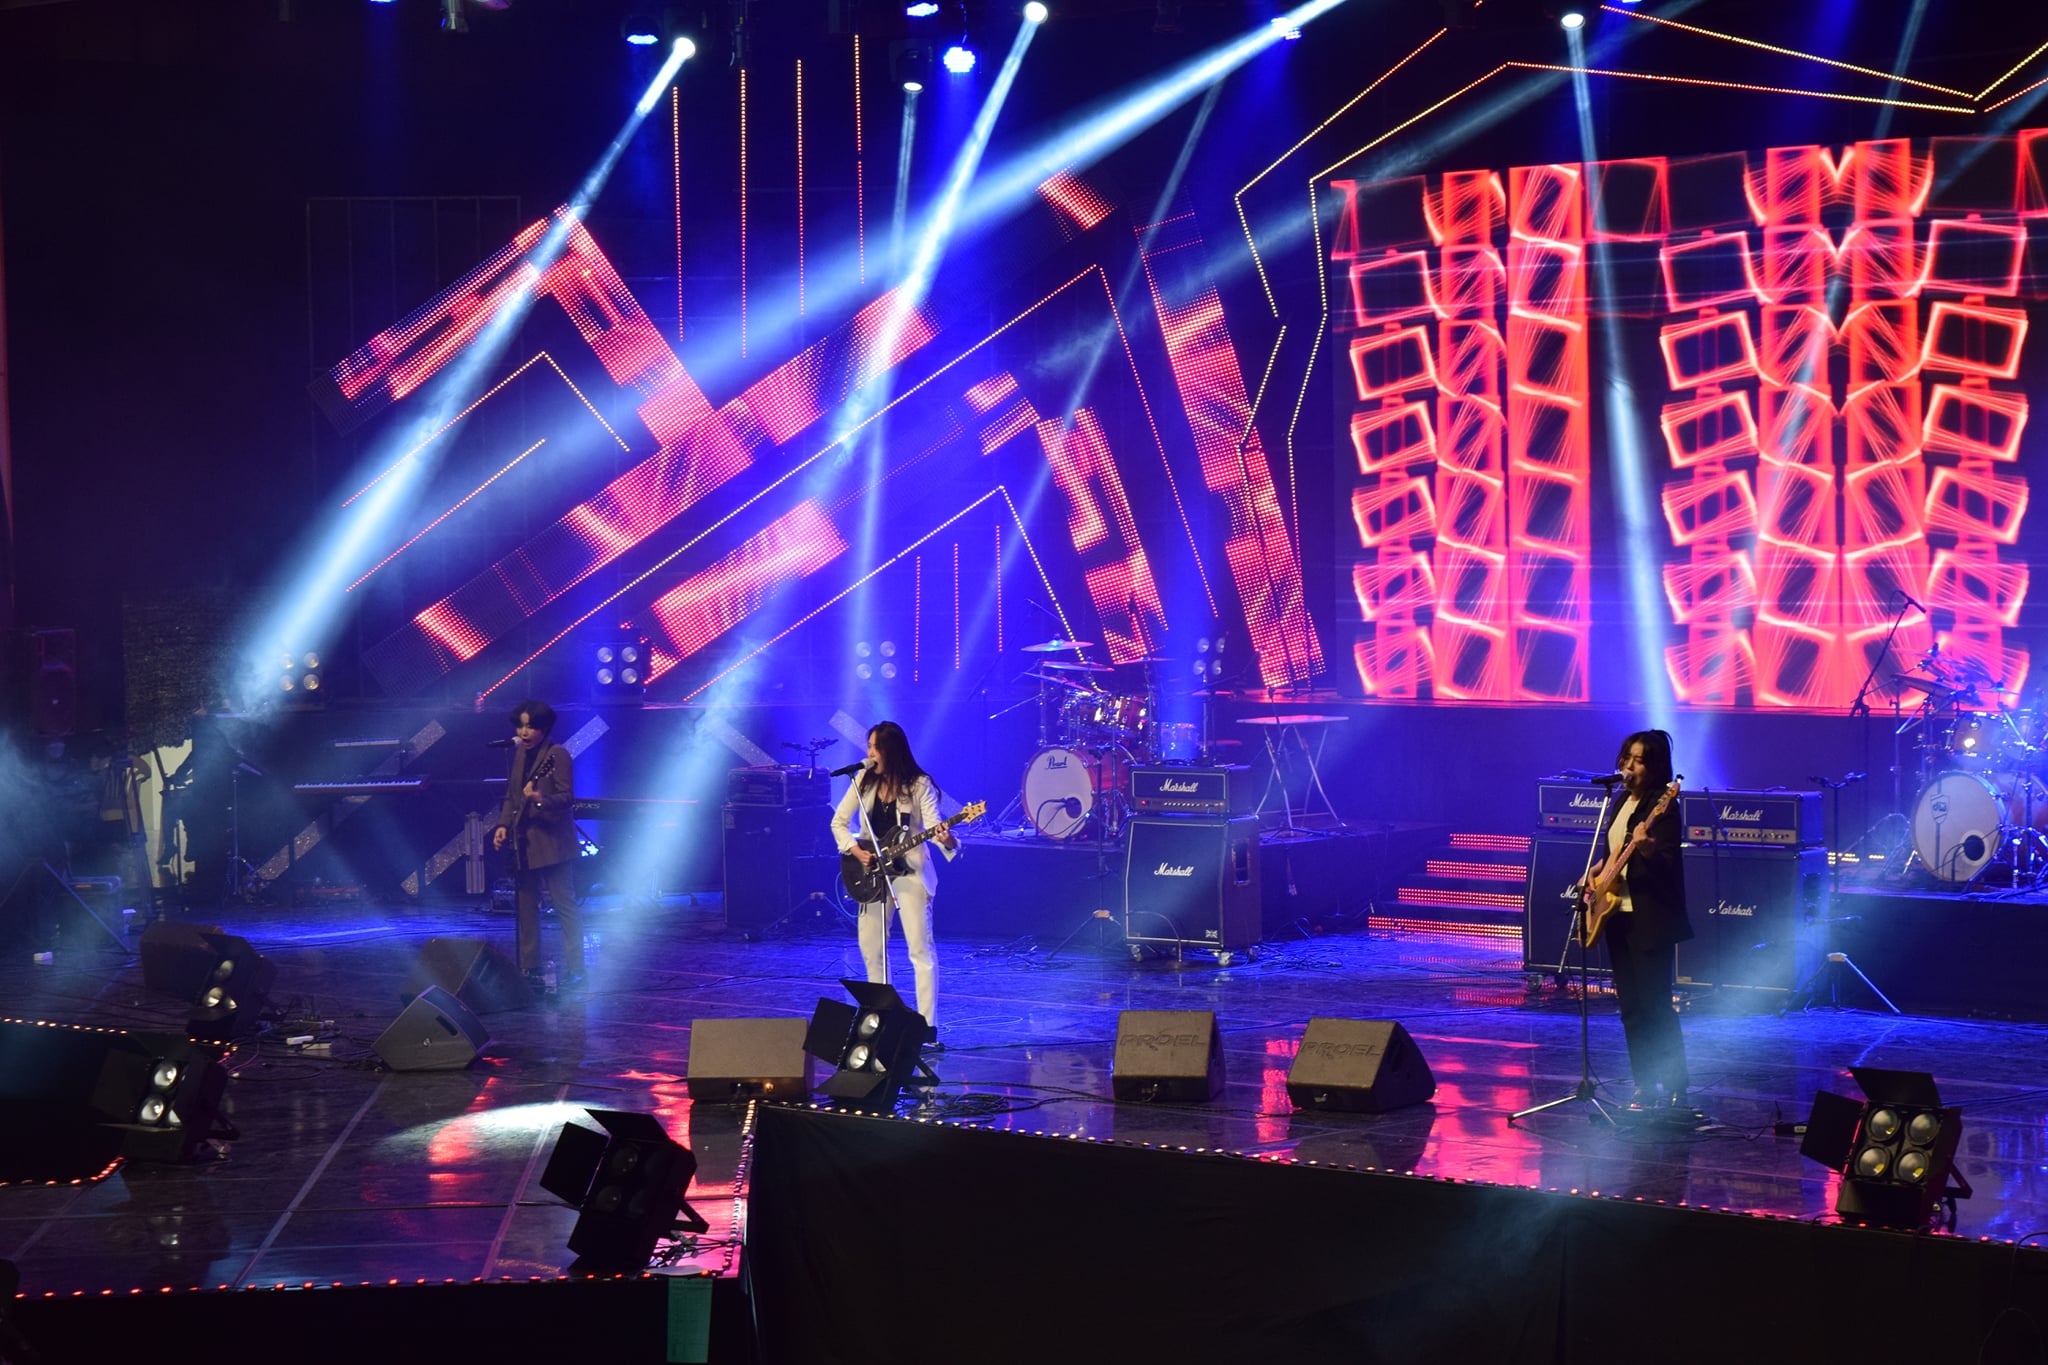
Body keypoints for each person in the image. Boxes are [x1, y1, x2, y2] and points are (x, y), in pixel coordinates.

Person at [830, 721, 957, 1042]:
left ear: (891, 750)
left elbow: (934, 827)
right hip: (872, 873)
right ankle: (881, 1021)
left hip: (909, 873)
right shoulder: (863, 780)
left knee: (920, 949)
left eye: (876, 748)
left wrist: (947, 840)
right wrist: (856, 851)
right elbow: (839, 822)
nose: (870, 753)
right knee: (871, 948)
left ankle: (927, 1029)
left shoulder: (919, 784)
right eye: (869, 746)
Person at [1588, 728, 1692, 1111]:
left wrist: (1647, 848)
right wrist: (1594, 875)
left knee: (1656, 1007)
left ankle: (1677, 1087)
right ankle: (1645, 1085)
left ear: (1655, 767)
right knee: (1631, 1010)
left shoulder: (1663, 806)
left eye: (1639, 761)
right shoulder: (1619, 801)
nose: (1629, 766)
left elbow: (1668, 863)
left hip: (1649, 920)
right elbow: (1614, 853)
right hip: (1616, 916)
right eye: (1626, 758)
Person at [492, 700, 585, 994]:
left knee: (564, 906)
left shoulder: (558, 754)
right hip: (525, 844)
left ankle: (577, 970)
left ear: (544, 729)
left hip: (554, 843)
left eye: (531, 727)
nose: (524, 732)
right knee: (526, 907)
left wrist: (539, 800)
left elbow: (567, 797)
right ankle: (530, 967)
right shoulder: (520, 754)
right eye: (521, 726)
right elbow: (512, 796)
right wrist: (503, 825)